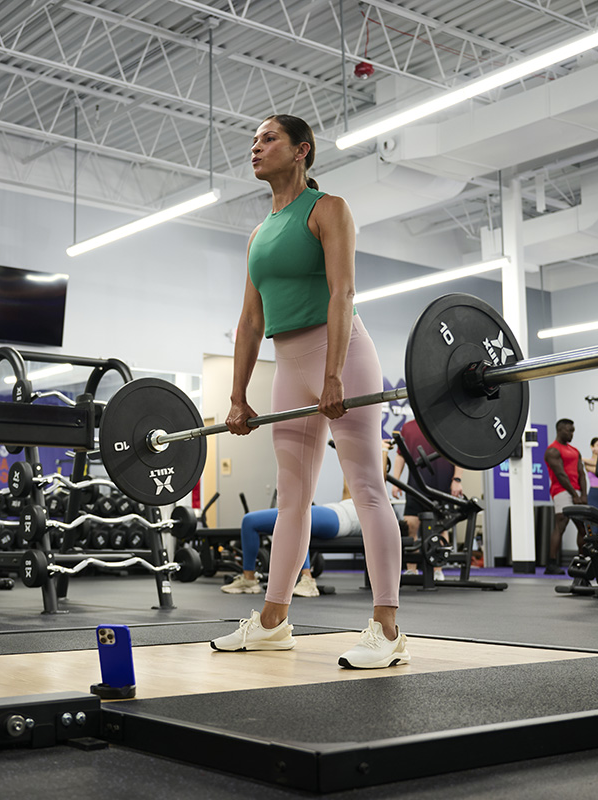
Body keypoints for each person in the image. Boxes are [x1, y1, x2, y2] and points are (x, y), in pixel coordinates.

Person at [210, 114, 406, 670]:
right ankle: (272, 620)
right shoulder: (258, 233)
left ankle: (387, 627)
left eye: (268, 139)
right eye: (253, 140)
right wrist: (238, 396)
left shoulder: (328, 210)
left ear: (302, 151)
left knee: (367, 486)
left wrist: (335, 375)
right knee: (291, 493)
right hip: (288, 363)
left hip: (341, 354)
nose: (255, 148)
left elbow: (341, 294)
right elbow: (249, 322)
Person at [221, 498, 362, 598]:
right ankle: (248, 579)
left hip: (340, 520)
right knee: (249, 521)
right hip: (332, 511)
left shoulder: (380, 508)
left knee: (297, 517)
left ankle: (307, 580)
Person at [390, 418, 464, 580]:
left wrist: (457, 479)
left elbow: (458, 455)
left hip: (442, 484)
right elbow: (400, 456)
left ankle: (438, 569)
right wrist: (396, 481)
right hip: (415, 486)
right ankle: (411, 569)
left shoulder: (446, 425)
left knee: (441, 527)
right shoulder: (408, 428)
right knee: (410, 525)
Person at [543, 418, 588, 575]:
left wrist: (584, 494)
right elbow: (560, 474)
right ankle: (551, 564)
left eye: (573, 431)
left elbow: (581, 473)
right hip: (561, 491)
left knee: (583, 528)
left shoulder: (575, 451)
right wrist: (574, 495)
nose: (572, 433)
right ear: (560, 430)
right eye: (569, 430)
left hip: (576, 492)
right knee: (560, 526)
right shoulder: (552, 450)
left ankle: (582, 561)